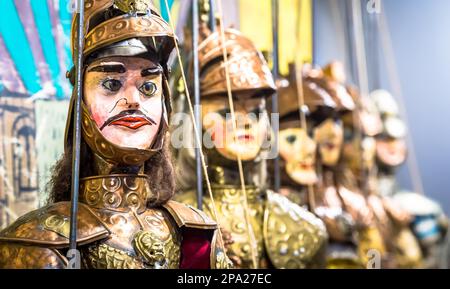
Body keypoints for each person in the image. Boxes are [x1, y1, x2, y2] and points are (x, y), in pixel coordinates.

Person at [0, 0, 231, 269]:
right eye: (111, 84)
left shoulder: (195, 233)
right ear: (80, 103)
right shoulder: (39, 238)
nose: (133, 100)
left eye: (148, 87)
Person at [174, 25, 327, 269]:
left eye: (256, 112)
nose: (244, 121)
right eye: (226, 112)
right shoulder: (173, 224)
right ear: (193, 121)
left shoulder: (304, 228)